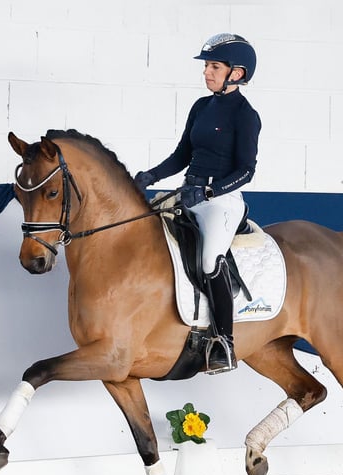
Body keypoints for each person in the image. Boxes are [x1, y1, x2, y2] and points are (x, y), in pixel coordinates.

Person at [135, 33, 262, 375]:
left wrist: (208, 192)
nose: (207, 72)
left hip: (222, 202)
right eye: (206, 66)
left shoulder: (246, 116)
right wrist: (151, 175)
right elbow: (182, 155)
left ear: (236, 73)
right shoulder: (201, 107)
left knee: (209, 260)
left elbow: (247, 170)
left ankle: (224, 342)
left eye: (214, 66)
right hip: (188, 191)